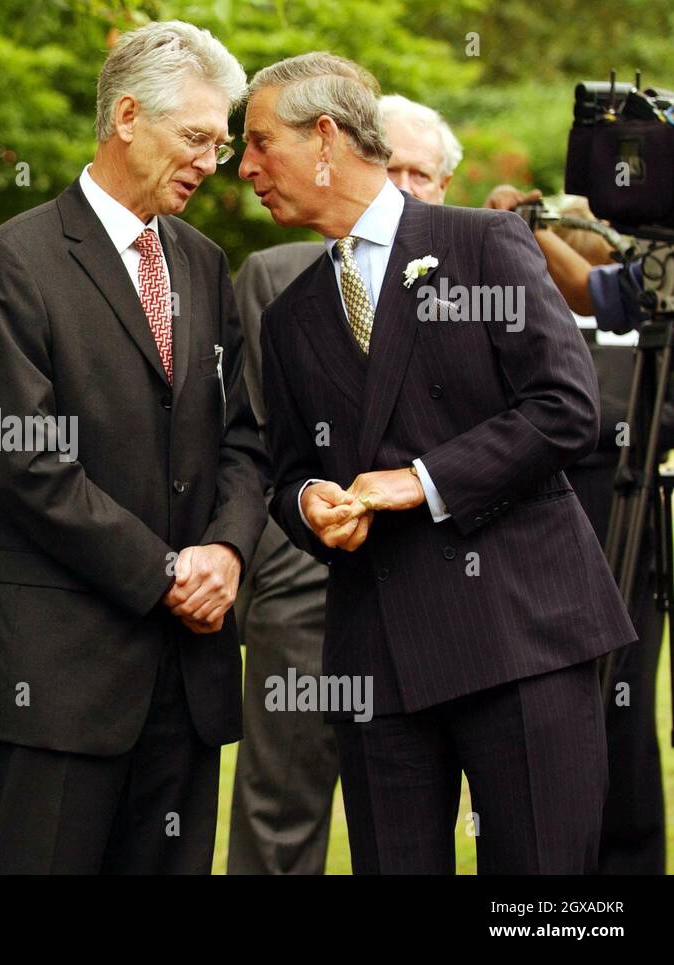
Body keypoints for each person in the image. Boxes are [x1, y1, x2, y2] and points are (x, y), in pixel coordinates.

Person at [242, 51, 635, 873]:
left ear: (325, 138)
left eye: (258, 143)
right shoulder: (289, 315)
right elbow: (283, 473)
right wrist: (311, 500)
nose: (244, 170)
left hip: (521, 636)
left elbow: (567, 409)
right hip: (377, 665)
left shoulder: (483, 243)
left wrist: (420, 482)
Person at [0, 21, 269, 874]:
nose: (215, 161)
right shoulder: (16, 261)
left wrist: (227, 552)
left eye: (222, 141)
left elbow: (248, 438)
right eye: (199, 137)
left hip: (193, 678)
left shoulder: (207, 264)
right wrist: (165, 573)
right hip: (66, 681)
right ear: (128, 116)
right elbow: (21, 461)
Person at [227, 90, 464, 875]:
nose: (402, 181)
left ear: (442, 187)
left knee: (416, 816)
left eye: (420, 172)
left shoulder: (478, 270)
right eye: (389, 163)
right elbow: (260, 445)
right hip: (305, 589)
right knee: (281, 808)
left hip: (450, 585)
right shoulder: (275, 278)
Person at [484, 188, 668, 874]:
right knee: (532, 724)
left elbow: (634, 423)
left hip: (625, 536)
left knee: (623, 712)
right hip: (528, 547)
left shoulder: (646, 335)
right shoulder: (515, 323)